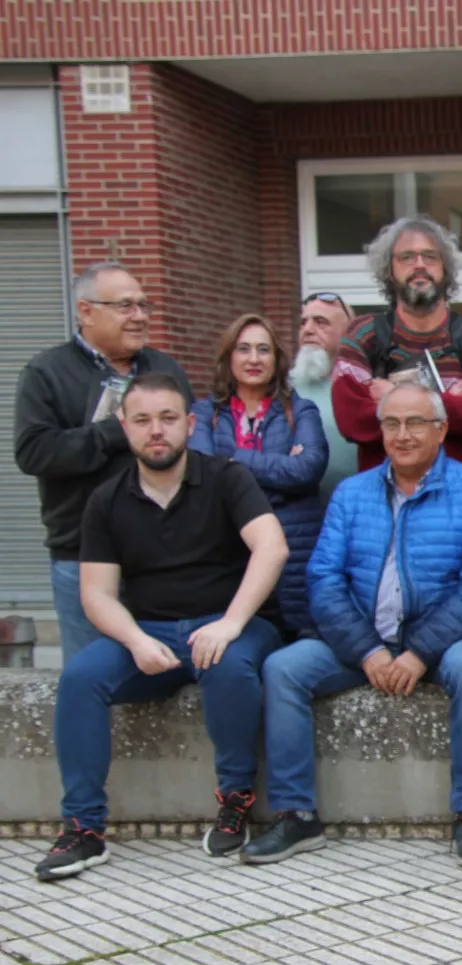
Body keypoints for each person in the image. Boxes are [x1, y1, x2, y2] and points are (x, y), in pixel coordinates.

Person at [35, 374, 288, 881]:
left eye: (169, 419)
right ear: (124, 426)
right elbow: (97, 595)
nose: (157, 431)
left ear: (189, 425)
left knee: (225, 665)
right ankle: (84, 829)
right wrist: (135, 640)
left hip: (233, 625)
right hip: (148, 631)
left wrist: (231, 623)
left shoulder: (226, 478)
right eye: (144, 420)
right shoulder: (106, 500)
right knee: (81, 679)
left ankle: (235, 799)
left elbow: (272, 546)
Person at [244, 383, 462, 867]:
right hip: (362, 640)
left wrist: (420, 651)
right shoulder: (351, 492)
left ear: (441, 430)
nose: (402, 435)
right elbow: (322, 578)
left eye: (415, 423)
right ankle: (296, 815)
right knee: (283, 669)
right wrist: (367, 650)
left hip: (445, 641)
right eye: (391, 424)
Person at [13, 262, 192, 663]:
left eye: (144, 306)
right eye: (125, 306)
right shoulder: (47, 372)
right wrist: (116, 431)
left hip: (164, 555)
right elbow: (35, 452)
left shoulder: (165, 370)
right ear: (86, 311)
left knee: (166, 677)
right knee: (93, 679)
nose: (140, 316)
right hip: (82, 556)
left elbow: (193, 446)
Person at [332, 215, 462, 475]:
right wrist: (449, 402)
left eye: (430, 256)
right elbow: (353, 420)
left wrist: (393, 396)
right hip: (385, 500)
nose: (420, 265)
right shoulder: (361, 334)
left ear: (445, 268)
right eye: (407, 257)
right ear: (389, 270)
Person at [190, 314, 328, 640]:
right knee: (238, 643)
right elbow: (205, 471)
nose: (254, 359)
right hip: (231, 551)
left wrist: (232, 459)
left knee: (294, 646)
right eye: (244, 349)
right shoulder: (204, 414)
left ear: (277, 359)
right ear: (229, 357)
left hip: (295, 554)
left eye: (263, 350)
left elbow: (307, 469)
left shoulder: (301, 410)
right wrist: (280, 469)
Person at [290, 292, 358, 501]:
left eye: (321, 322)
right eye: (303, 323)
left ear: (348, 332)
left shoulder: (365, 386)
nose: (308, 330)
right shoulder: (281, 387)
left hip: (353, 512)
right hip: (297, 514)